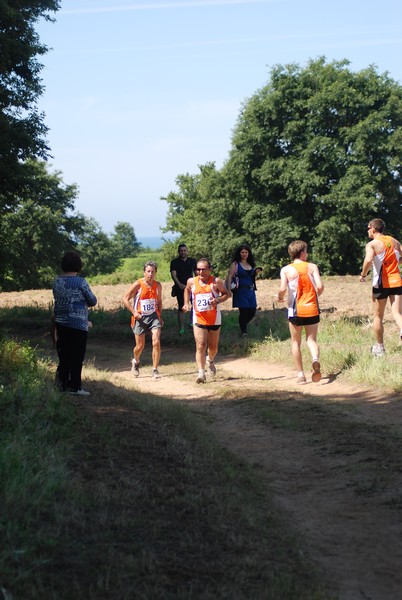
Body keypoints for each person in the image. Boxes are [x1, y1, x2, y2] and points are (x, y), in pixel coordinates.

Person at [277, 240, 324, 384]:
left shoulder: (286, 270)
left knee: (295, 342)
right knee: (311, 340)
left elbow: (283, 289)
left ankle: (301, 375)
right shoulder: (312, 267)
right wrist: (315, 296)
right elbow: (320, 286)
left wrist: (280, 298)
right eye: (307, 251)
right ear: (302, 253)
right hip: (312, 308)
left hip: (295, 310)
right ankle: (315, 359)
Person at [53, 251, 97, 395]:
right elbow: (92, 300)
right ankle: (75, 386)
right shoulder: (81, 282)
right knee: (77, 356)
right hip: (78, 324)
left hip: (60, 322)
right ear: (78, 265)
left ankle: (62, 384)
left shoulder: (57, 282)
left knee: (64, 355)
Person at [359, 218, 402, 357]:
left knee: (378, 316)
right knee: (397, 314)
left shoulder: (372, 244)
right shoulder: (395, 241)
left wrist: (363, 274)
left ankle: (380, 348)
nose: (367, 231)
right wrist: (396, 262)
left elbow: (368, 260)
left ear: (372, 228)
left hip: (381, 283)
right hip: (397, 281)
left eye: (368, 228)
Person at [183, 258, 230, 383]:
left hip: (214, 318)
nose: (200, 272)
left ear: (209, 270)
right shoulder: (192, 282)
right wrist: (186, 303)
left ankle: (210, 360)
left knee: (213, 348)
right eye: (198, 269)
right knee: (201, 345)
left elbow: (227, 294)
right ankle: (201, 373)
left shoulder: (216, 282)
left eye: (203, 269)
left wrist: (218, 300)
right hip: (198, 317)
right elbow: (187, 290)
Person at [123, 260, 163, 379]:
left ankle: (155, 369)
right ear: (144, 272)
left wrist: (159, 316)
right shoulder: (138, 284)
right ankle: (135, 361)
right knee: (140, 346)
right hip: (140, 317)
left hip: (153, 316)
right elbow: (125, 299)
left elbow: (159, 301)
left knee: (156, 341)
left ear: (156, 272)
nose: (150, 274)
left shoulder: (158, 285)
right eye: (148, 271)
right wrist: (134, 312)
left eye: (153, 271)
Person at [226, 244, 262, 337]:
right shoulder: (235, 264)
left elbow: (251, 277)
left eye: (246, 252)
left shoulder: (251, 264)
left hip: (250, 290)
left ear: (249, 253)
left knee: (252, 310)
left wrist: (256, 272)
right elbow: (230, 276)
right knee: (244, 311)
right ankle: (244, 332)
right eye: (242, 252)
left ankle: (242, 325)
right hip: (240, 291)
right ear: (239, 253)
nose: (244, 254)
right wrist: (229, 289)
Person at [170, 243, 197, 334]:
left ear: (187, 251)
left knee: (195, 305)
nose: (183, 252)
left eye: (184, 250)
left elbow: (197, 273)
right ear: (178, 251)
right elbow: (174, 275)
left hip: (192, 287)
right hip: (180, 288)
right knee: (182, 308)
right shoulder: (174, 262)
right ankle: (182, 328)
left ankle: (191, 322)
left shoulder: (192, 261)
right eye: (181, 251)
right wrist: (179, 284)